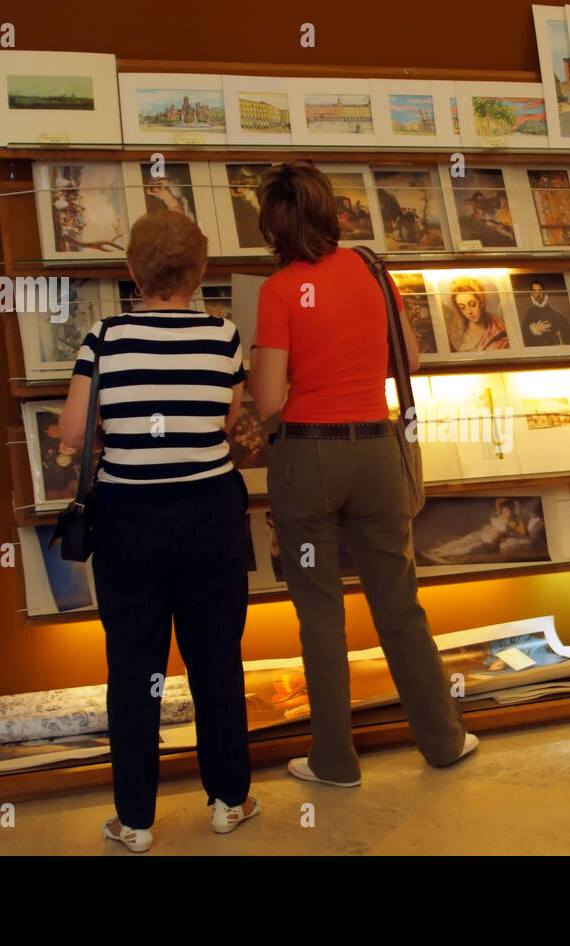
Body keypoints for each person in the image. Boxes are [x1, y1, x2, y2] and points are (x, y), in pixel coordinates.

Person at [248, 161, 476, 788]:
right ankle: (443, 740)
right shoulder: (373, 271)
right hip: (377, 450)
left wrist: (262, 365)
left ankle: (334, 761)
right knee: (399, 603)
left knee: (320, 614)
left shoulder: (278, 291)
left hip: (308, 460)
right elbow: (409, 357)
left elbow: (268, 401)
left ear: (272, 225)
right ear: (330, 211)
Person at [58, 210, 257, 853]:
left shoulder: (104, 337)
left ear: (131, 271)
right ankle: (229, 800)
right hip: (210, 513)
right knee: (215, 661)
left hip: (130, 518)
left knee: (134, 666)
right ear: (198, 274)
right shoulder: (224, 336)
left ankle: (136, 821)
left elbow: (70, 433)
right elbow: (231, 424)